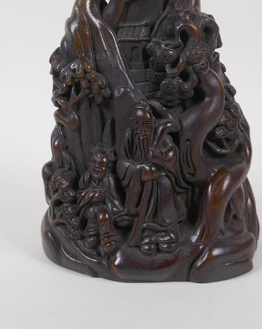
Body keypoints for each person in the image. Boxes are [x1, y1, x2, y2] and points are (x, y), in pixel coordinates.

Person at [117, 99, 185, 255]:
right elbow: (122, 163)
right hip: (138, 184)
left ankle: (168, 229)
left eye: (146, 124)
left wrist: (159, 159)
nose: (141, 129)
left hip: (160, 180)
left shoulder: (160, 137)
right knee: (147, 189)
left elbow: (172, 154)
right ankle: (146, 231)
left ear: (153, 123)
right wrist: (141, 170)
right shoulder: (128, 136)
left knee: (164, 183)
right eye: (137, 123)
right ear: (132, 122)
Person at [77, 147, 124, 254]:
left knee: (103, 214)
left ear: (108, 168)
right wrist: (91, 195)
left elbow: (116, 206)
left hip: (105, 220)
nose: (96, 167)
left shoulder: (109, 180)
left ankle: (108, 239)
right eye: (93, 162)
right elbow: (79, 199)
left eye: (101, 165)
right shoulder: (86, 178)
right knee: (90, 243)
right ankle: (94, 237)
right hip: (91, 220)